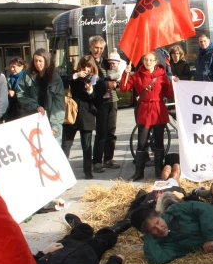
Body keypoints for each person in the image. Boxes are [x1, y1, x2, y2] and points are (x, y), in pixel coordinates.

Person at [129, 195, 213, 264]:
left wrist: (209, 237)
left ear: (159, 215)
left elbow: (206, 209)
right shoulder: (167, 244)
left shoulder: (176, 210)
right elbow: (156, 259)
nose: (160, 229)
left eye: (157, 222)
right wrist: (148, 238)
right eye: (153, 229)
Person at [121, 51, 174, 181]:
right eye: (145, 60)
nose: (148, 62)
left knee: (159, 141)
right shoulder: (137, 75)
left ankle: (158, 169)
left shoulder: (161, 76)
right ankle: (139, 171)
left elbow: (168, 93)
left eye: (151, 60)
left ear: (156, 61)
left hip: (158, 109)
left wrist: (173, 82)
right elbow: (123, 88)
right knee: (141, 142)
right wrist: (126, 73)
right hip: (144, 110)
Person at [61, 56, 107, 180]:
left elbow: (98, 100)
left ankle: (88, 171)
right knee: (66, 144)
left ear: (93, 67)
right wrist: (76, 75)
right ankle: (62, 172)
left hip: (87, 115)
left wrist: (90, 90)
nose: (86, 69)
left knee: (86, 145)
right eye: (83, 66)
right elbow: (63, 81)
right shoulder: (74, 77)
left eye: (88, 67)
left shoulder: (98, 80)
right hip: (72, 114)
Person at [16, 48, 66, 140]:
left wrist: (55, 126)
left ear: (46, 61)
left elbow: (59, 103)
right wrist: (36, 106)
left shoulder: (55, 78)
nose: (37, 64)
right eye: (35, 61)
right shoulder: (27, 75)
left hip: (50, 120)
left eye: (40, 61)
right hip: (32, 119)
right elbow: (21, 95)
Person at [87, 37, 120, 174]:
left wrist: (116, 82)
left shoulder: (107, 62)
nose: (98, 51)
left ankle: (108, 158)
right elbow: (90, 81)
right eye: (96, 47)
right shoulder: (88, 62)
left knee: (111, 131)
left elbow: (115, 76)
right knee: (101, 132)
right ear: (90, 47)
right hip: (100, 101)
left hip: (112, 99)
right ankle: (97, 161)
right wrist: (106, 84)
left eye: (101, 48)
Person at [5, 57, 27, 122]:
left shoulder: (26, 77)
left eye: (14, 67)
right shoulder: (9, 78)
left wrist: (15, 94)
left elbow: (28, 93)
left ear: (22, 66)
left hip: (23, 108)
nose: (12, 69)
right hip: (11, 109)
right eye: (11, 67)